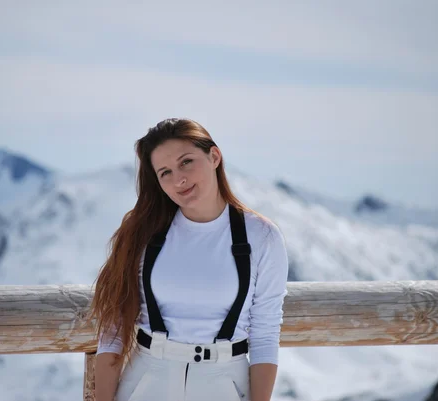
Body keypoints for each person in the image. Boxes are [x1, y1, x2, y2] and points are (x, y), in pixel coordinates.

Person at [88, 118, 289, 401]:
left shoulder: (261, 236)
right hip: (147, 380)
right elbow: (114, 329)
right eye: (165, 172)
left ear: (214, 156)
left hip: (226, 383)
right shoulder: (144, 231)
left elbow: (265, 334)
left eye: (186, 162)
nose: (178, 179)